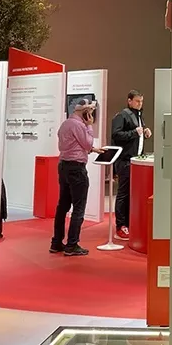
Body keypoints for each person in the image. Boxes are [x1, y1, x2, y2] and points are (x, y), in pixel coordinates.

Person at [50, 100, 104, 256]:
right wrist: (90, 126)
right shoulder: (80, 125)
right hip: (76, 169)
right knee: (78, 208)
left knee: (63, 206)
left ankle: (56, 242)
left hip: (64, 166)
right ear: (86, 112)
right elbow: (87, 143)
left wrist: (93, 149)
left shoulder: (66, 124)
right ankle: (72, 244)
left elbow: (74, 145)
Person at [111, 90, 152, 241]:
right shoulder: (122, 115)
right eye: (137, 101)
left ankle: (128, 223)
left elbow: (136, 134)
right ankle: (120, 226)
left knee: (130, 194)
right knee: (123, 193)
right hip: (125, 161)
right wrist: (135, 133)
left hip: (135, 160)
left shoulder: (138, 116)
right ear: (129, 101)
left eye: (141, 101)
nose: (139, 104)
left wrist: (145, 132)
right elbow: (116, 135)